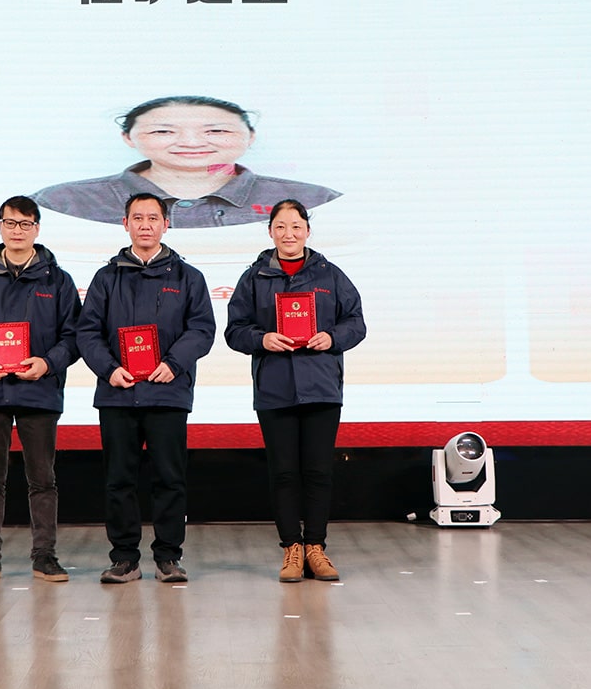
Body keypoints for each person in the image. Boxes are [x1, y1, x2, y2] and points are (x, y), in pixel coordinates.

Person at [76, 192, 216, 583]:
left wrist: (173, 364)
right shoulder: (106, 278)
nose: (145, 225)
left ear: (166, 224)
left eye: (153, 218)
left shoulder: (188, 277)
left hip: (167, 393)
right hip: (117, 394)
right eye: (137, 218)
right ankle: (124, 558)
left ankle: (168, 556)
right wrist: (109, 370)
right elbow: (87, 332)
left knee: (169, 479)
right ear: (125, 224)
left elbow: (202, 329)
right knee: (119, 480)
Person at [224, 199, 366, 582]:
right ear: (270, 231)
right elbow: (234, 330)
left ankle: (316, 547)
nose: (289, 234)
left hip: (321, 388)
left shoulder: (330, 275)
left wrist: (332, 337)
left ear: (307, 231)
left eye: (296, 226)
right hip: (275, 389)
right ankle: (291, 548)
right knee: (284, 473)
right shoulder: (254, 278)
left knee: (319, 472)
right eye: (281, 227)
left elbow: (356, 322)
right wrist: (262, 338)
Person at [0, 195, 82, 584]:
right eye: (10, 223)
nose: (17, 230)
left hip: (39, 391)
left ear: (37, 228)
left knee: (43, 480)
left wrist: (47, 363)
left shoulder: (58, 280)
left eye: (25, 224)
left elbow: (74, 336)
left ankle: (45, 556)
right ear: (0, 226)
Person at [32, 95, 339, 228]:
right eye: (163, 131)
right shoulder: (61, 202)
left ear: (251, 136)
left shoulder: (316, 200)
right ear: (128, 137)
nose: (191, 143)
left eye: (216, 130)